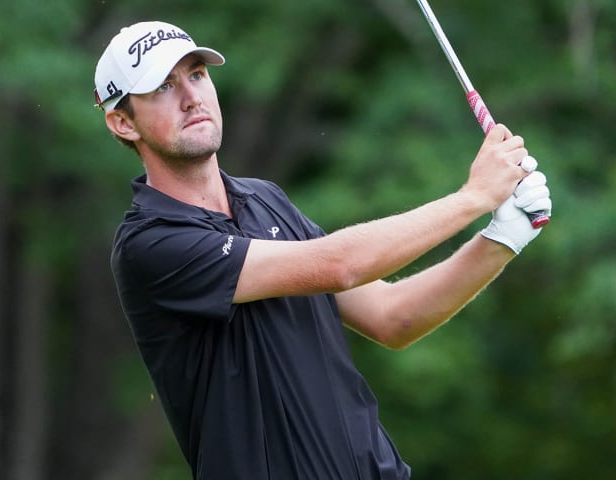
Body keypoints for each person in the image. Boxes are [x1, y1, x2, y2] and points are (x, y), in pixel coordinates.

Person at [95, 20, 551, 480]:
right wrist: (473, 197)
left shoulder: (264, 200)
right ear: (123, 122)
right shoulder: (150, 243)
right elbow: (341, 266)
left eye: (196, 74)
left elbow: (393, 316)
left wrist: (501, 238)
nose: (191, 97)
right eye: (163, 87)